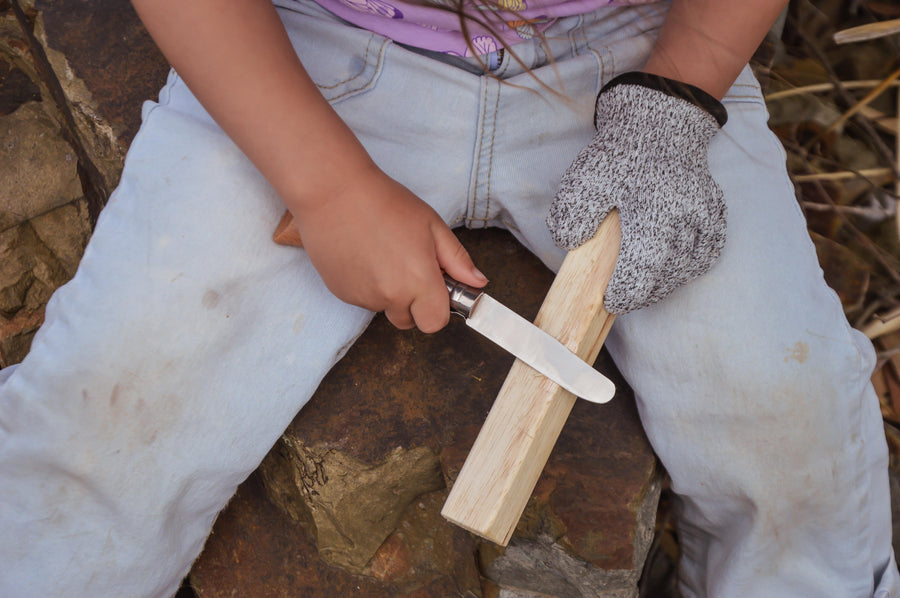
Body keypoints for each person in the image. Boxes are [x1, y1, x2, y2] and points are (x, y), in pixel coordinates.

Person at [1, 0, 897, 595]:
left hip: (644, 58)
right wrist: (326, 186)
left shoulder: (665, 87)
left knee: (792, 413)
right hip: (302, 55)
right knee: (104, 419)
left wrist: (677, 98)